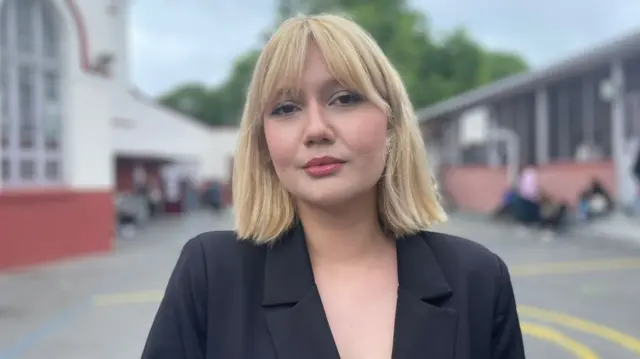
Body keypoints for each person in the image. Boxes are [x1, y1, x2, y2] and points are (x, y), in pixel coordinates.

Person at [141, 14, 525, 359]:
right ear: (264, 142)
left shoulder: (478, 278)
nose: (316, 130)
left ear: (391, 125)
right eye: (286, 108)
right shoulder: (211, 276)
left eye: (344, 98)